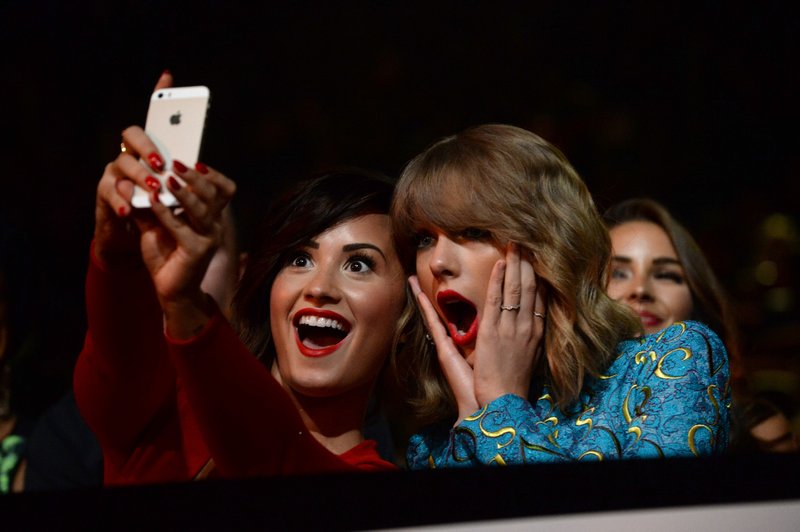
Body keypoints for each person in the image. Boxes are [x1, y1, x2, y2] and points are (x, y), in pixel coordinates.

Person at [74, 76, 410, 484]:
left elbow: (269, 455)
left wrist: (186, 304)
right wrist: (119, 250)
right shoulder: (165, 418)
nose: (319, 287)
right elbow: (115, 363)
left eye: (359, 265)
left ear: (405, 312)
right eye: (299, 259)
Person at [390, 124, 731, 468]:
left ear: (548, 246)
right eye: (423, 239)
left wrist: (500, 406)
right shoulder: (429, 448)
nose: (437, 262)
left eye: (474, 231)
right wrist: (472, 419)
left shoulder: (673, 359)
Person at [603, 197, 796, 453]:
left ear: (695, 300)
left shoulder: (756, 430)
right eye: (618, 273)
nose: (640, 289)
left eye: (666, 275)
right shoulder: (552, 421)